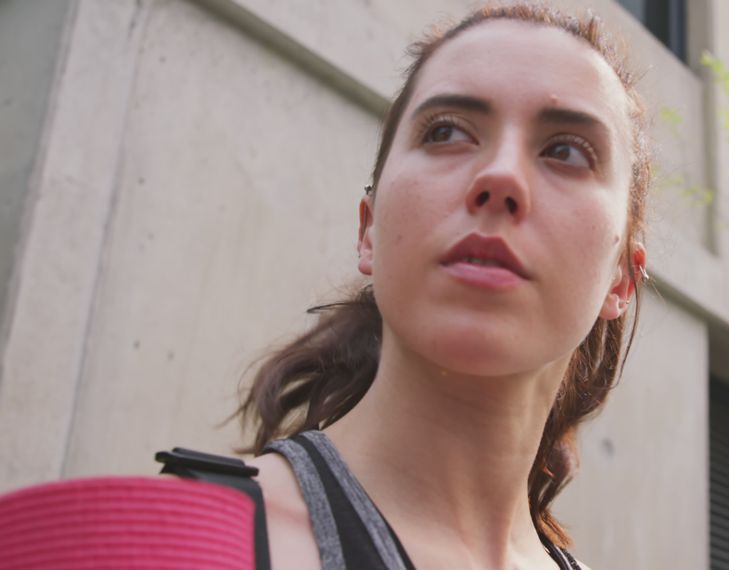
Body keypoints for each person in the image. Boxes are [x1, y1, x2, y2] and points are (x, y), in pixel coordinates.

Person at [238, 4, 651, 569]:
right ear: (370, 230)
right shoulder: (174, 544)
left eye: (566, 151)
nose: (501, 176)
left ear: (622, 279)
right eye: (447, 132)